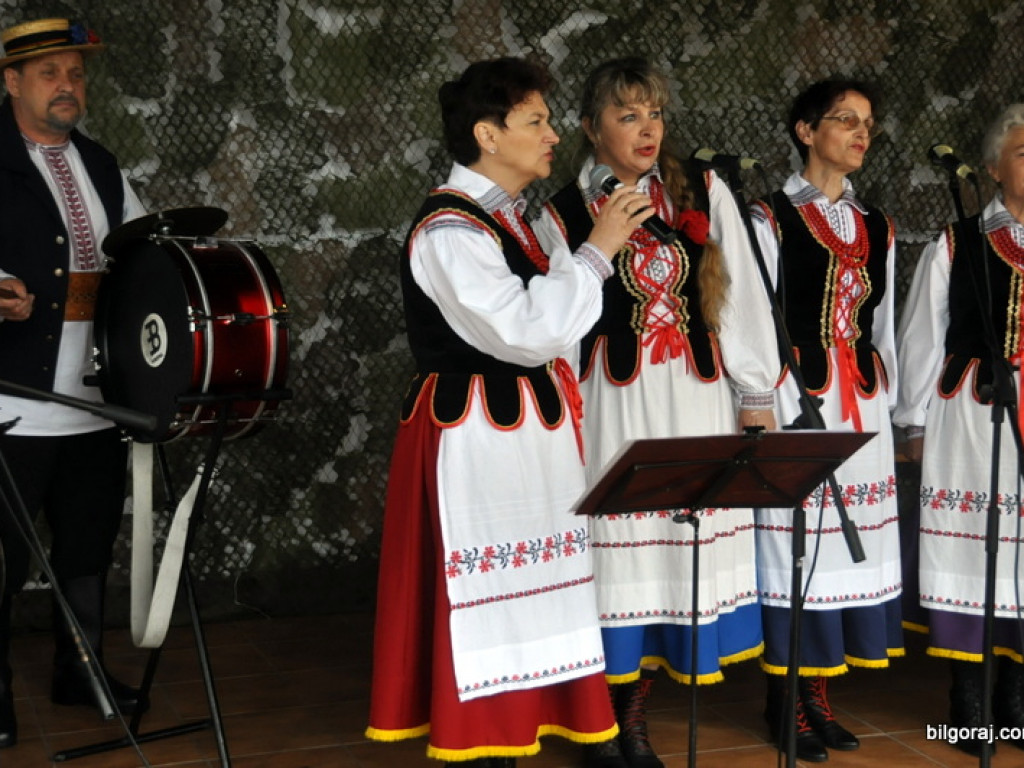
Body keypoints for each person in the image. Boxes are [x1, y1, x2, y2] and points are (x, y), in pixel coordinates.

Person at [364, 57, 655, 767]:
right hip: (477, 436)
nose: (554, 134)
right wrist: (597, 254)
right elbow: (525, 332)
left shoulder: (520, 222)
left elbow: (561, 327)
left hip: (531, 432)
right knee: (489, 583)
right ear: (488, 135)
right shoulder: (449, 231)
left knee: (543, 580)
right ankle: (485, 739)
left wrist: (585, 256)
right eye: (537, 122)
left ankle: (552, 720)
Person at [534, 57, 780, 768]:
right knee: (619, 566)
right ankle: (610, 724)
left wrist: (755, 395)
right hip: (615, 406)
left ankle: (635, 715)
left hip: (695, 400)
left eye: (656, 113)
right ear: (589, 128)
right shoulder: (562, 215)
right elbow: (558, 320)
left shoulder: (700, 191)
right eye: (627, 114)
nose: (648, 128)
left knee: (677, 559)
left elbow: (737, 299)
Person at [0, 17, 148, 748]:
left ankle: (79, 668)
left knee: (86, 546)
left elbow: (143, 250)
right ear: (11, 82)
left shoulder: (101, 163)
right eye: (50, 72)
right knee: (1, 554)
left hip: (94, 400)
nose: (68, 85)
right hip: (13, 400)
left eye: (76, 73)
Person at [748, 79, 902, 762]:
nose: (860, 132)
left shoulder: (878, 226)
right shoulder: (767, 217)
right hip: (794, 392)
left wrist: (889, 397)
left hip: (859, 396)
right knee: (796, 540)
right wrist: (759, 395)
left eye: (867, 121)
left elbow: (884, 322)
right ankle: (786, 698)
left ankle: (819, 697)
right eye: (844, 120)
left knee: (844, 543)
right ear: (806, 130)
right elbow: (752, 316)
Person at [894, 103, 1024, 758]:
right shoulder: (958, 241)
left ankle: (1016, 700)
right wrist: (911, 421)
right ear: (996, 166)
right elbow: (921, 336)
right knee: (973, 547)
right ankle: (966, 698)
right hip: (972, 415)